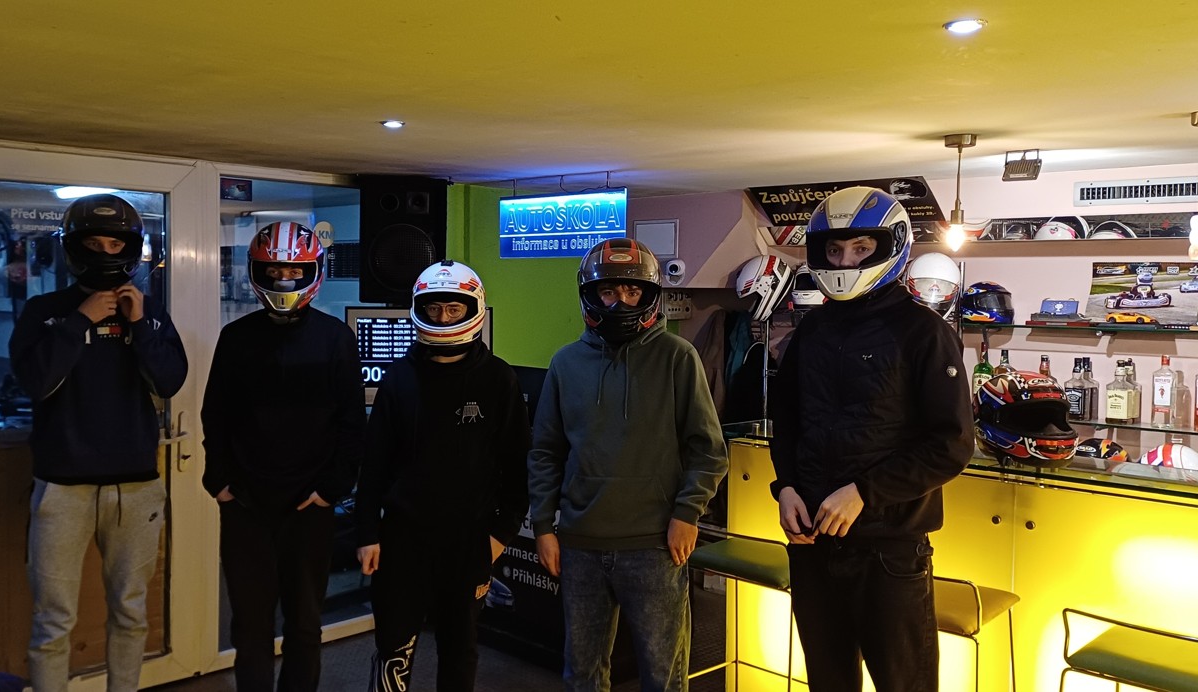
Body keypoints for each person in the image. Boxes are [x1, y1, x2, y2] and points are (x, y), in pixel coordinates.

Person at [767, 186, 973, 692]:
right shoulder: (811, 331)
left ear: (890, 247)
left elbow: (951, 444)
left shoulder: (924, 332)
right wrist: (786, 486)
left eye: (861, 248)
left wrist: (865, 492)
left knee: (904, 683)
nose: (845, 261)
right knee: (828, 681)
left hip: (889, 550)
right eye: (835, 249)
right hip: (811, 543)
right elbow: (787, 420)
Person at [528, 238, 729, 692]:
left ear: (649, 295)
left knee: (663, 675)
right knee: (582, 673)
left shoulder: (678, 358)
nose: (620, 301)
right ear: (590, 295)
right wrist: (543, 526)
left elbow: (708, 449)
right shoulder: (565, 364)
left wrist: (687, 514)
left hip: (656, 545)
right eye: (608, 291)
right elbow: (545, 451)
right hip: (580, 544)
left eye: (632, 291)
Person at [9, 193, 188, 692]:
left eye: (115, 244)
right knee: (53, 621)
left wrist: (139, 325)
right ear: (75, 248)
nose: (106, 253)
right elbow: (36, 382)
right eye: (94, 244)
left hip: (136, 488)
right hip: (62, 489)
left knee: (130, 612)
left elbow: (169, 381)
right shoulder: (45, 312)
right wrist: (80, 321)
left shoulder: (150, 313)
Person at [200, 221, 364, 692]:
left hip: (308, 507)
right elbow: (216, 415)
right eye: (274, 271)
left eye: (294, 271)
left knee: (305, 625)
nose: (284, 280)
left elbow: (352, 423)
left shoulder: (335, 338)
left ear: (312, 273)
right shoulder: (236, 337)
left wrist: (330, 489)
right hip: (246, 505)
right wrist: (219, 482)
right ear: (257, 272)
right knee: (249, 628)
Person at [356, 260, 531, 692]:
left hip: (469, 542)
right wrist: (366, 532)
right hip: (402, 540)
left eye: (454, 309)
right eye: (434, 309)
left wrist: (499, 536)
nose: (443, 318)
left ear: (473, 310)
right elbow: (374, 462)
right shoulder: (399, 377)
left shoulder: (498, 379)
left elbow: (518, 467)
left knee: (459, 650)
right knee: (394, 647)